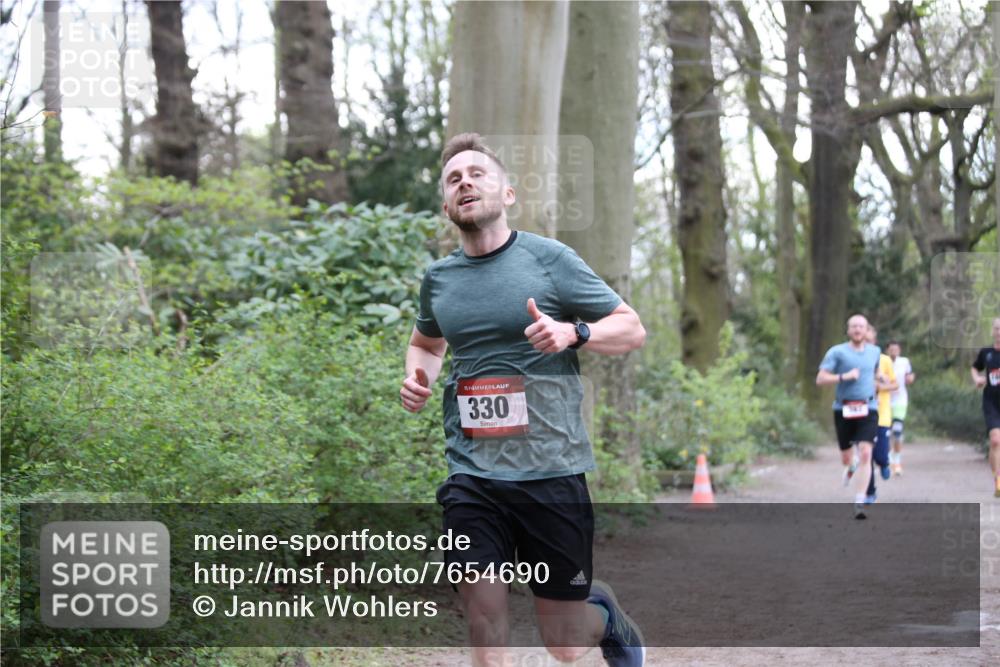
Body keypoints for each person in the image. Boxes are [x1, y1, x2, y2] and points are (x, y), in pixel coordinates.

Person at [400, 133, 647, 666]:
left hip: (551, 472)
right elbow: (426, 342)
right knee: (486, 622)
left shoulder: (549, 259)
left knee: (564, 643)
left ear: (507, 193)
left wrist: (573, 333)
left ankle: (603, 614)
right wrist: (419, 377)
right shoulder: (439, 280)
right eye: (453, 179)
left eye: (477, 174)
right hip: (473, 474)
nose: (465, 182)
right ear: (446, 205)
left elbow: (631, 329)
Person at [816, 314, 882, 519]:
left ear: (866, 330)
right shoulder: (837, 352)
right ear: (848, 330)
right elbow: (820, 378)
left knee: (865, 453)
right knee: (847, 457)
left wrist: (880, 377)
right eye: (853, 326)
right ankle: (850, 465)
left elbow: (874, 370)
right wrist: (844, 376)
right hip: (843, 409)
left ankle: (860, 501)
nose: (857, 330)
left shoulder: (875, 352)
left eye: (861, 327)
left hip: (868, 407)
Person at [863, 325, 898, 504]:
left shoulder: (884, 360)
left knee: (880, 455)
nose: (866, 344)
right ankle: (870, 492)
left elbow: (895, 385)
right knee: (865, 454)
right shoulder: (855, 359)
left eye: (869, 341)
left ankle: (884, 463)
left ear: (875, 342)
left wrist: (879, 387)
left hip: (882, 414)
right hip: (862, 414)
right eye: (864, 340)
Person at [970, 317, 1000, 498]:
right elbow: (975, 368)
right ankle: (998, 479)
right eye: (997, 329)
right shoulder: (986, 353)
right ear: (992, 331)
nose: (999, 332)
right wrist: (977, 379)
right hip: (991, 401)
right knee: (996, 440)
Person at [886, 340, 915, 476]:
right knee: (884, 433)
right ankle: (887, 459)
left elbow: (910, 374)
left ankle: (897, 460)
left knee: (897, 430)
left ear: (899, 351)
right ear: (887, 351)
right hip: (884, 401)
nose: (894, 352)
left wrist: (910, 378)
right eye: (891, 350)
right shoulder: (882, 362)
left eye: (896, 350)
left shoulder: (904, 361)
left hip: (900, 400)